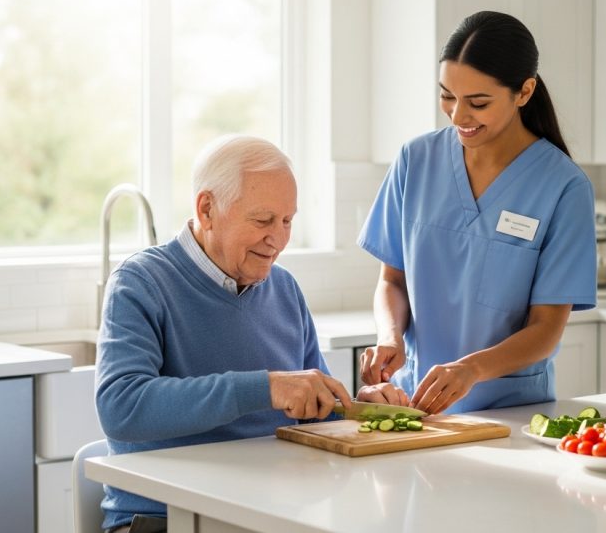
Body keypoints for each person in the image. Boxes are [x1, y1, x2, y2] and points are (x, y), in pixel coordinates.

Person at [95, 135, 405, 533]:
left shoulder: (285, 288)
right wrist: (267, 388)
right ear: (207, 209)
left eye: (288, 220)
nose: (277, 239)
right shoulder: (141, 283)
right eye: (262, 220)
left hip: (267, 514)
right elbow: (121, 409)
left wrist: (357, 407)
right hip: (166, 519)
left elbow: (313, 407)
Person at [357, 10, 597, 415]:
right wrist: (390, 338)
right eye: (447, 95)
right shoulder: (415, 160)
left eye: (478, 102)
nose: (457, 116)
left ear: (524, 92)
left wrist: (471, 369)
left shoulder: (564, 187)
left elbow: (546, 329)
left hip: (510, 414)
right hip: (416, 406)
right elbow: (392, 281)